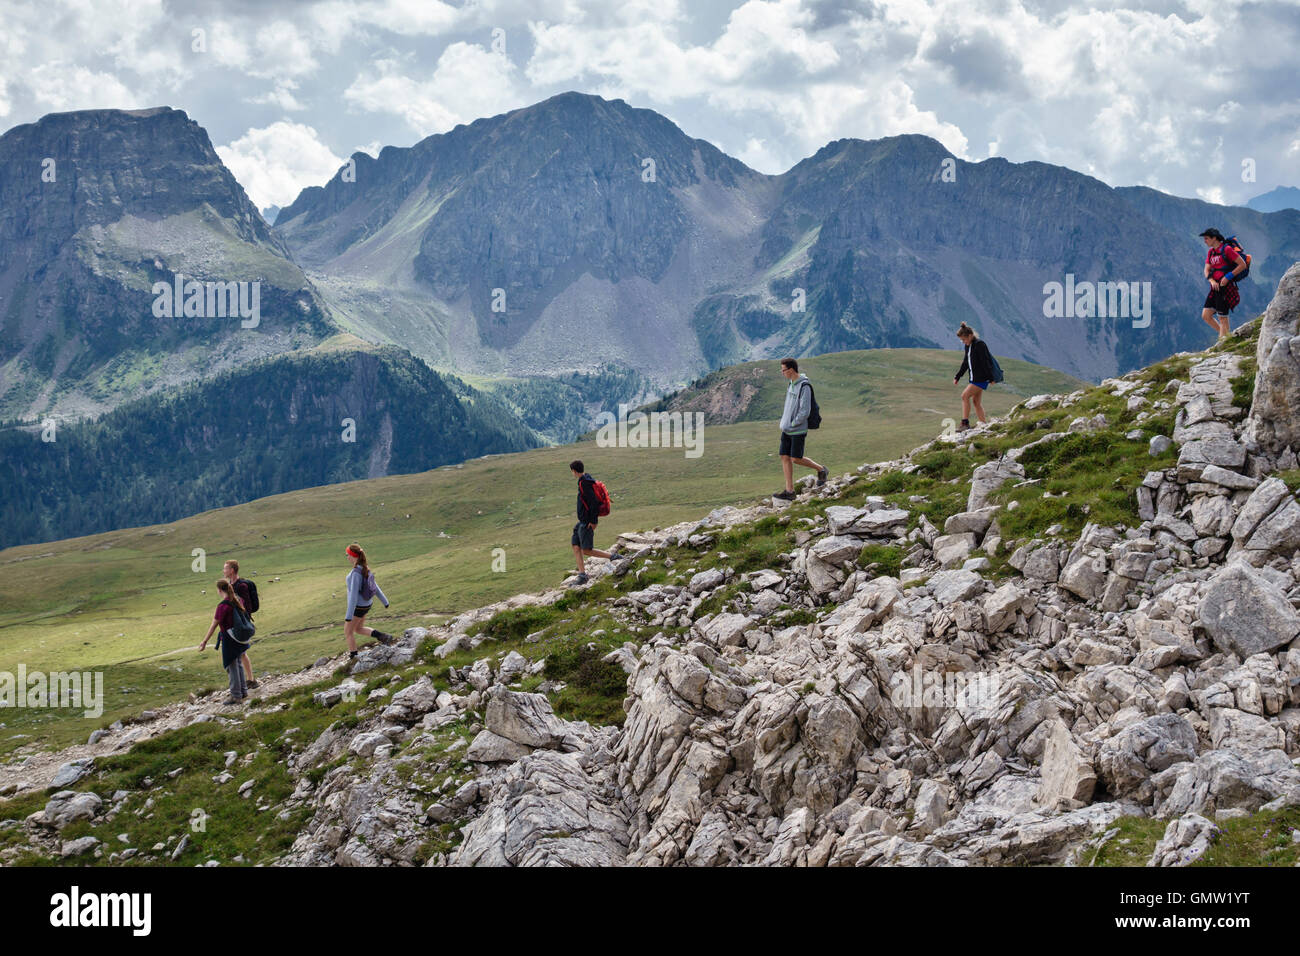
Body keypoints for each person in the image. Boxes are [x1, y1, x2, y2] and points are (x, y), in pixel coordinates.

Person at [774, 358, 827, 500]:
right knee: (784, 457)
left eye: (783, 370)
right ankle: (789, 491)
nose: (782, 373)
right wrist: (785, 423)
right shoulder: (791, 383)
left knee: (796, 459)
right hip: (786, 429)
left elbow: (805, 411)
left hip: (797, 430)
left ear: (791, 370)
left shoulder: (804, 386)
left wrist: (792, 424)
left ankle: (821, 469)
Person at [199, 578, 251, 705]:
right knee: (238, 663)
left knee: (231, 665)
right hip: (239, 638)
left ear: (219, 590)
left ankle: (235, 696)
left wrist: (204, 641)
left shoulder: (223, 606)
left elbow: (214, 625)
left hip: (229, 639)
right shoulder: (237, 600)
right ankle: (243, 691)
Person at [569, 460, 621, 585]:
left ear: (574, 471)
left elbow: (593, 503)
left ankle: (613, 557)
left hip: (587, 522)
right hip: (582, 521)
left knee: (586, 550)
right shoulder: (586, 479)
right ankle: (582, 575)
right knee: (576, 545)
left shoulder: (585, 483)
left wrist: (593, 521)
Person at [344, 544, 394, 657]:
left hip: (358, 607)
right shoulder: (365, 568)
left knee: (348, 632)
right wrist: (385, 601)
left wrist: (349, 615)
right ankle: (383, 636)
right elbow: (375, 587)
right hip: (367, 605)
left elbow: (353, 596)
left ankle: (354, 657)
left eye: (348, 555)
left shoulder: (356, 573)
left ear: (353, 556)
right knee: (358, 628)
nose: (347, 557)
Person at [1199, 228, 1246, 339]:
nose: (1204, 241)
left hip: (1226, 288)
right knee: (1206, 316)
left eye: (1206, 238)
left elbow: (1242, 264)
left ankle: (1222, 344)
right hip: (1215, 287)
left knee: (1223, 318)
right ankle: (1226, 337)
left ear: (1214, 238)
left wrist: (1228, 277)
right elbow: (1206, 269)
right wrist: (1211, 280)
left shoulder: (1227, 249)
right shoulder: (1211, 252)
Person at [222, 559, 258, 689]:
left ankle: (249, 681)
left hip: (241, 624)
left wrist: (241, 620)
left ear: (232, 570)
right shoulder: (230, 585)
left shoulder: (241, 586)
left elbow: (246, 606)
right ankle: (248, 680)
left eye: (225, 568)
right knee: (241, 652)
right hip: (234, 623)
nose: (223, 571)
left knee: (241, 652)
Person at [953, 323, 994, 431]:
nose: (963, 342)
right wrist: (958, 376)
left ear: (970, 335)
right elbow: (966, 362)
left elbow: (986, 362)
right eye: (961, 340)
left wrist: (991, 378)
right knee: (976, 402)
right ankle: (984, 425)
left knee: (964, 396)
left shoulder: (980, 344)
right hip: (974, 378)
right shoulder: (968, 346)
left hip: (981, 378)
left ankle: (965, 423)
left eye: (964, 339)